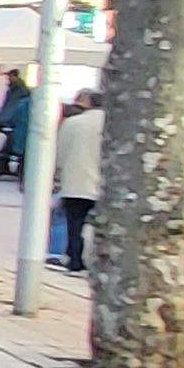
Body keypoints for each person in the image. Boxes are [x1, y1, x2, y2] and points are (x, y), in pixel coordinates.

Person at [51, 91, 105, 270]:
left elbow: (60, 152)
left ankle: (74, 258)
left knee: (75, 223)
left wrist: (58, 174)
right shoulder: (115, 125)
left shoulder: (72, 123)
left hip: (76, 182)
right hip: (104, 184)